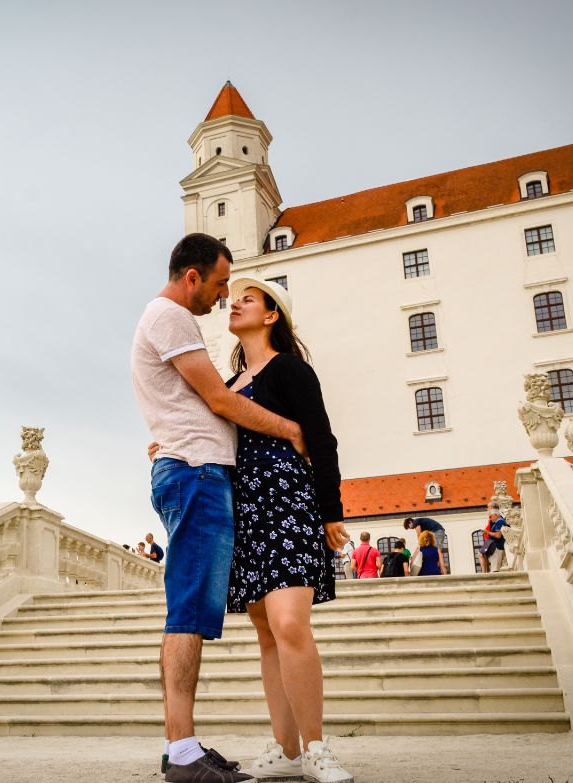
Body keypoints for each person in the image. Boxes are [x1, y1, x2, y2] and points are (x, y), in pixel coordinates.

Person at [131, 233, 307, 783]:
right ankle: (182, 752)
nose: (223, 295)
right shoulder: (171, 316)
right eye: (220, 283)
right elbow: (220, 400)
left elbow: (194, 403)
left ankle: (181, 745)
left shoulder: (165, 319)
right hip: (196, 473)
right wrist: (291, 429)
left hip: (191, 468)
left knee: (189, 610)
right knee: (186, 611)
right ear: (193, 277)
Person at [221, 277, 354, 783]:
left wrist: (331, 511)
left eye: (248, 299)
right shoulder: (227, 384)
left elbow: (321, 437)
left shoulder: (291, 369)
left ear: (272, 314)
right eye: (234, 299)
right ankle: (286, 748)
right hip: (245, 509)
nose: (235, 304)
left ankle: (316, 747)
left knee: (290, 624)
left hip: (289, 499)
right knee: (267, 633)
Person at [479, 503, 508, 573]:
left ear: (496, 515)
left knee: (495, 570)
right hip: (493, 546)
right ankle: (484, 572)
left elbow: (498, 535)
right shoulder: (497, 522)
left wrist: (487, 532)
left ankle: (484, 572)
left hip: (496, 547)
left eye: (490, 516)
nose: (489, 518)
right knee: (493, 569)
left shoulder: (500, 521)